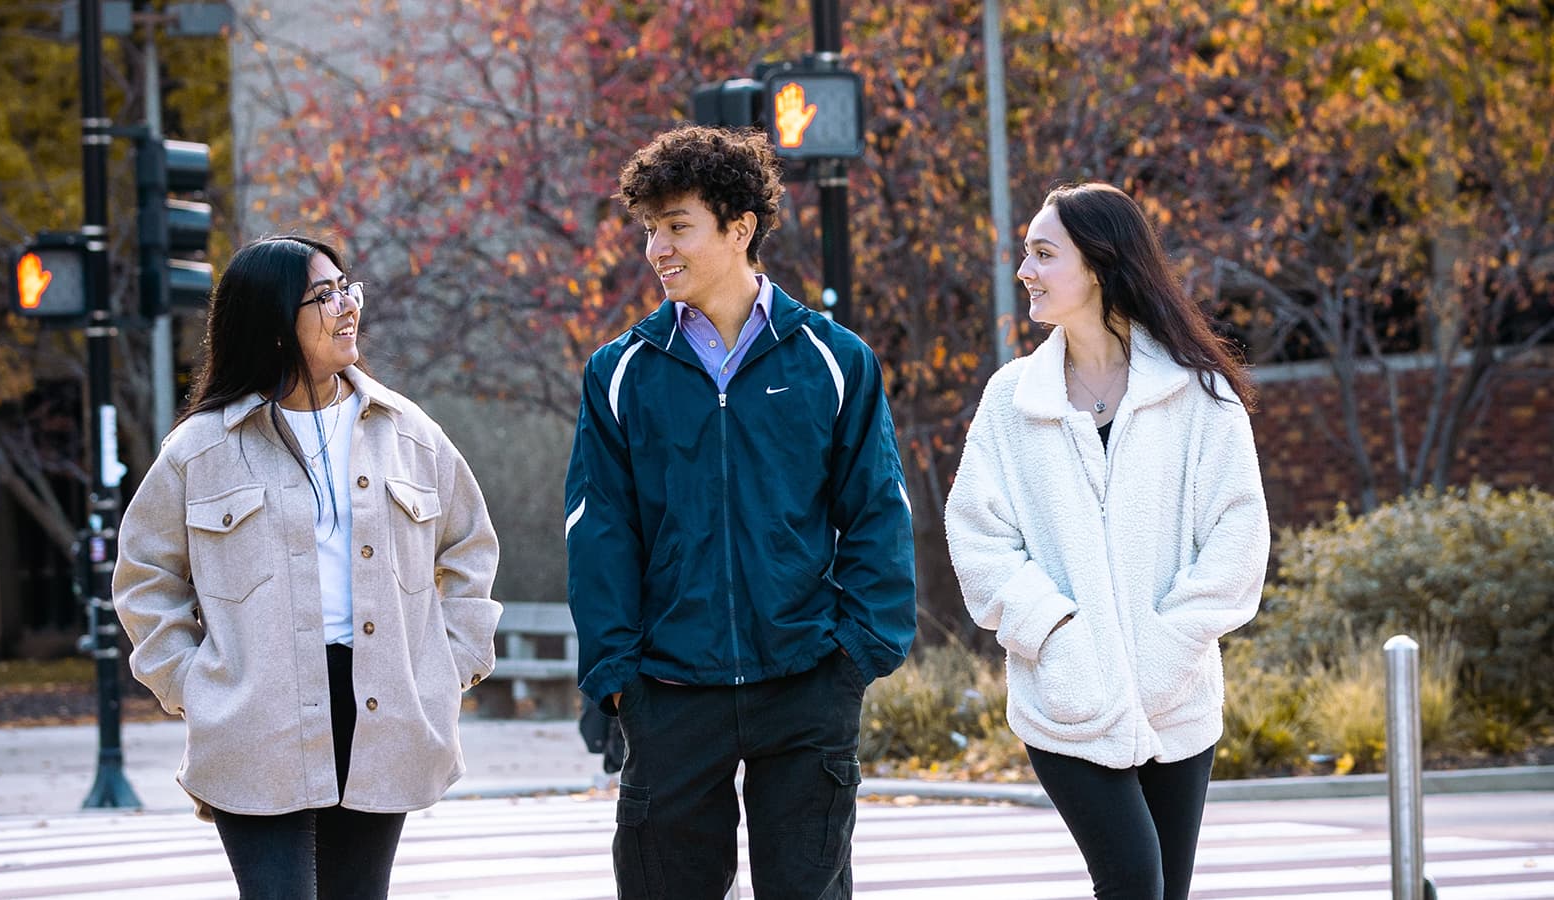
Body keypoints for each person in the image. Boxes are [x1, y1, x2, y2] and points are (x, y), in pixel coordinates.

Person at [564, 125, 917, 899]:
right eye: (650, 229)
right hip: (669, 687)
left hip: (804, 681)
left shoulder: (834, 359)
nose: (658, 248)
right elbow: (598, 532)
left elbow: (877, 516)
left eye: (678, 227)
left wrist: (855, 657)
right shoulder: (620, 372)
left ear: (740, 227)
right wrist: (618, 677)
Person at [113, 235, 502, 899]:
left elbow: (469, 547)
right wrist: (192, 684)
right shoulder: (201, 450)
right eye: (323, 296)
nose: (346, 305)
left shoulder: (406, 432)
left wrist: (449, 663)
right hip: (253, 714)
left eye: (345, 287)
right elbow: (146, 577)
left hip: (382, 709)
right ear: (271, 321)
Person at [944, 183, 1270, 899]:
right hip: (1065, 698)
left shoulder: (1199, 393)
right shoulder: (1012, 399)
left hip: (1175, 696)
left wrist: (1170, 643)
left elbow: (1238, 538)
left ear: (1097, 263)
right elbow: (979, 540)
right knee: (1132, 880)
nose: (1024, 271)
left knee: (1164, 891)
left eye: (1042, 254)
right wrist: (1056, 637)